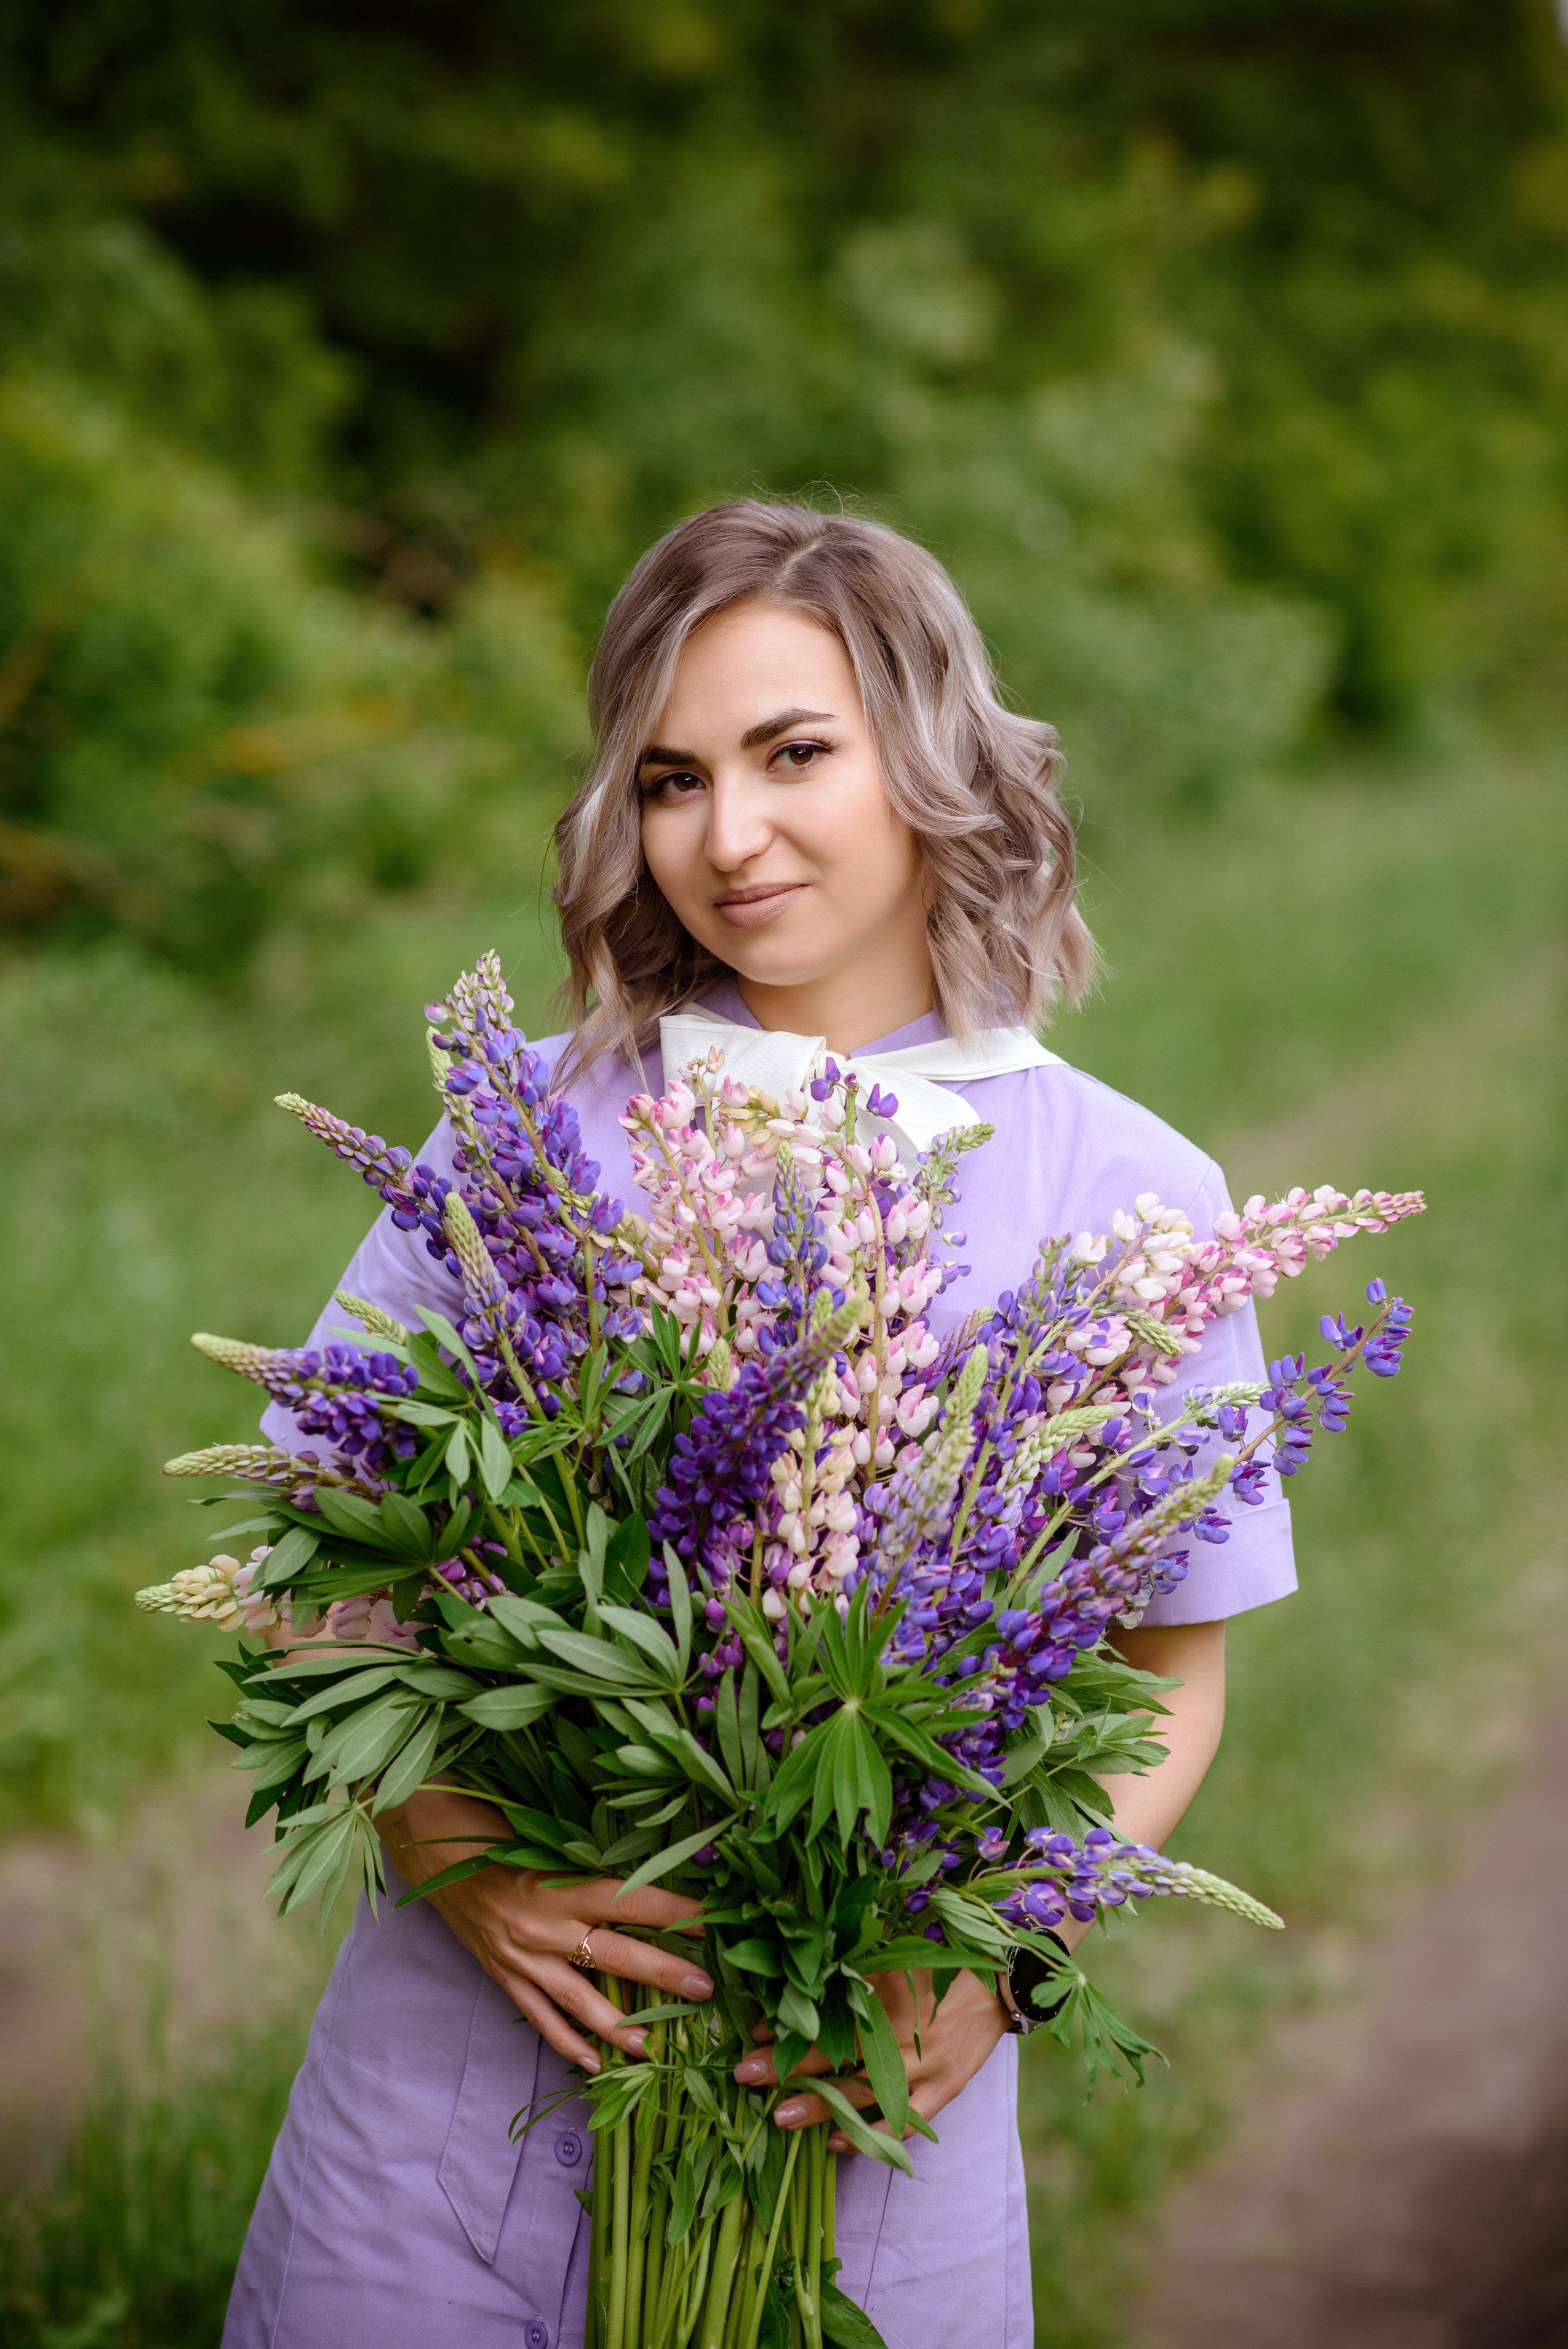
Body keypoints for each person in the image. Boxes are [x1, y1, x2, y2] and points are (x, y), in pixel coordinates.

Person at [224, 501, 1295, 2349]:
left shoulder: (1138, 1193)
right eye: (669, 777)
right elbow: (315, 1546)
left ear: (929, 751)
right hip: (447, 2104)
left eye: (795, 752)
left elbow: (1167, 1670)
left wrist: (1004, 1952)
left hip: (864, 2112)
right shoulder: (538, 1129)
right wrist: (457, 1855)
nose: (728, 836)